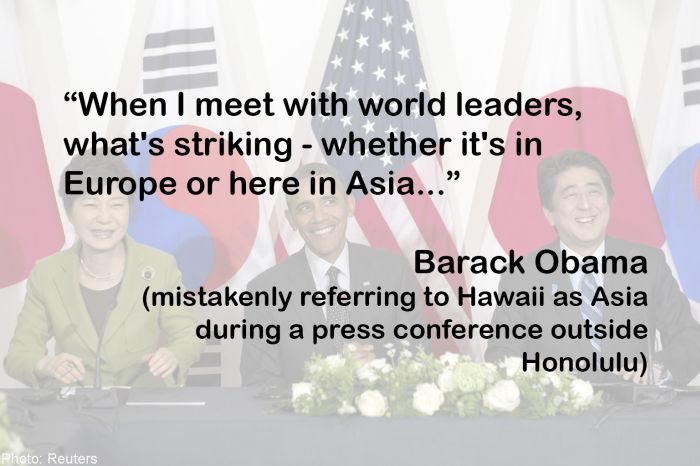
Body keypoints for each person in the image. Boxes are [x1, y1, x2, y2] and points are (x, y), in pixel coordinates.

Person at [485, 150, 700, 385]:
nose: (585, 204)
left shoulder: (647, 264)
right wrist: (543, 381)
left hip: (637, 414)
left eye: (594, 192)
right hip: (559, 415)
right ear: (549, 214)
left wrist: (658, 368)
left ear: (608, 201)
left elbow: (690, 338)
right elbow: (501, 355)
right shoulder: (523, 276)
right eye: (570, 195)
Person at [4, 157, 204, 388]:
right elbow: (19, 354)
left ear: (130, 210)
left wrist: (173, 355)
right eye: (90, 204)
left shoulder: (160, 267)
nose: (104, 218)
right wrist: (44, 365)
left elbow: (189, 334)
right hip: (75, 408)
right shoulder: (47, 274)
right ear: (70, 212)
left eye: (116, 205)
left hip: (143, 402)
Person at [240, 163, 423, 387]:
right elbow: (259, 382)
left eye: (328, 201)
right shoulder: (264, 290)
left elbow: (419, 359)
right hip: (301, 421)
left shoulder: (393, 271)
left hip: (383, 418)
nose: (319, 217)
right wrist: (322, 384)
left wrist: (380, 368)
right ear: (291, 220)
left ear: (349, 205)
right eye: (305, 207)